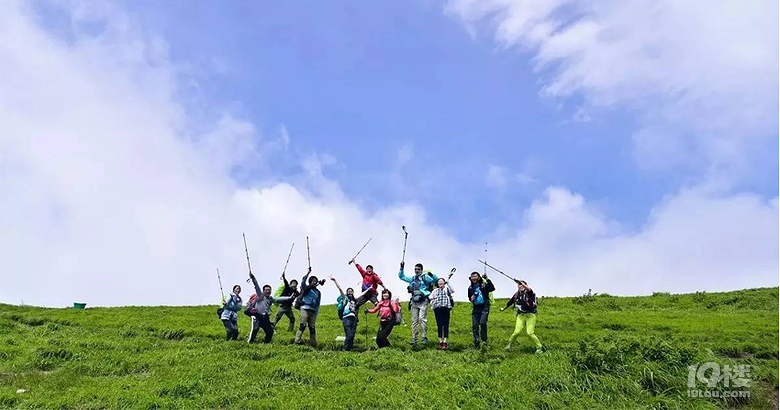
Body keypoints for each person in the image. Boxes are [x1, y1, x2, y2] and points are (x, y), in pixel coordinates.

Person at [398, 262, 438, 345]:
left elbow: (435, 280)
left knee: (422, 319)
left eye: (418, 269)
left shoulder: (425, 277)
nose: (417, 271)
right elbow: (402, 277)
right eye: (415, 269)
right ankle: (414, 337)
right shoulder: (412, 278)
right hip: (414, 301)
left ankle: (424, 337)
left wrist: (431, 274)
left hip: (423, 300)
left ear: (422, 270)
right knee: (414, 320)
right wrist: (401, 268)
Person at [247, 273, 294, 343]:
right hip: (257, 317)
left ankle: (266, 344)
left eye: (269, 290)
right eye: (266, 290)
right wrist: (253, 277)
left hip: (264, 318)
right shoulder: (260, 295)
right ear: (263, 291)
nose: (268, 291)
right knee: (254, 330)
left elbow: (279, 299)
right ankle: (250, 343)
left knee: (270, 331)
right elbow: (256, 286)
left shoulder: (270, 298)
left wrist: (289, 298)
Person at [502, 280, 543, 353]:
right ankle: (508, 345)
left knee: (530, 333)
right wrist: (503, 308)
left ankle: (539, 347)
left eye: (521, 285)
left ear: (525, 285)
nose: (520, 286)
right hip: (521, 315)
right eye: (519, 285)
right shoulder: (516, 294)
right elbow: (510, 302)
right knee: (516, 332)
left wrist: (523, 284)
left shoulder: (529, 293)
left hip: (530, 315)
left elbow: (530, 290)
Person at [330, 276, 370, 351]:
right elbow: (340, 289)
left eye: (351, 291)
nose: (350, 292)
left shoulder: (354, 300)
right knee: (349, 334)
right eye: (349, 291)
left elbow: (362, 294)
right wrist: (335, 280)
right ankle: (345, 349)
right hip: (346, 318)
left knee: (352, 334)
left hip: (353, 318)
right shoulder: (345, 299)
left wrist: (369, 289)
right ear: (347, 293)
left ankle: (349, 348)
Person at [294, 268, 325, 347]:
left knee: (312, 327)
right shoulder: (306, 288)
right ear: (310, 282)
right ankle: (297, 341)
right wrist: (308, 273)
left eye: (316, 280)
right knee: (303, 325)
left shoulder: (318, 292)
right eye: (313, 280)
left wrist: (317, 312)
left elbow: (318, 303)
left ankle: (313, 343)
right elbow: (303, 281)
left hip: (313, 311)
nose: (315, 282)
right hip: (304, 308)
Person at [467, 271, 495, 349]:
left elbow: (492, 288)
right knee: (475, 326)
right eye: (472, 277)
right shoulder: (470, 288)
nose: (474, 278)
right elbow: (469, 297)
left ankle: (484, 340)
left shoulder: (483, 284)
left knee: (483, 323)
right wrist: (471, 298)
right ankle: (476, 342)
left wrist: (487, 279)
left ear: (479, 277)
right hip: (476, 308)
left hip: (484, 307)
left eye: (475, 276)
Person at [429, 277, 455, 350]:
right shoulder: (435, 290)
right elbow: (430, 296)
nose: (440, 282)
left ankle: (445, 341)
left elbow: (453, 290)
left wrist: (448, 283)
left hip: (446, 308)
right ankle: (440, 341)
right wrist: (433, 297)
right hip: (437, 308)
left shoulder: (447, 289)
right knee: (439, 324)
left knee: (446, 324)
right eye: (439, 281)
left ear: (444, 282)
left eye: (442, 281)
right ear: (437, 283)